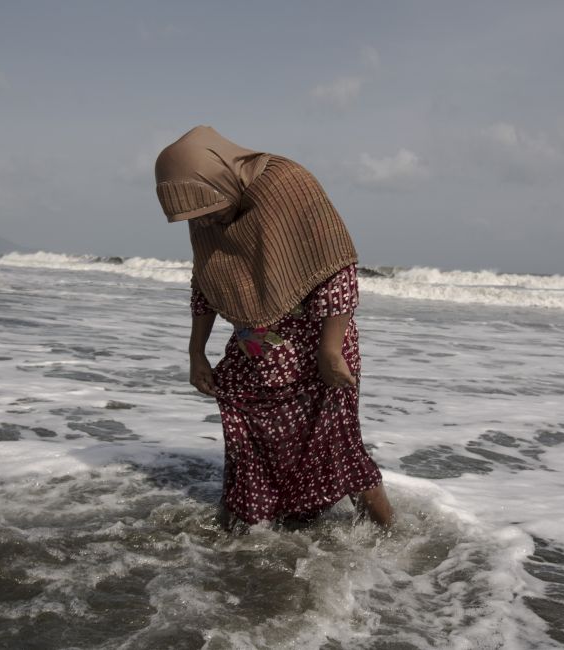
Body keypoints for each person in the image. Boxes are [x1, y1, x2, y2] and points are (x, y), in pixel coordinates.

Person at [154, 125, 394, 529]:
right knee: (249, 449)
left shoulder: (288, 183)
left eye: (208, 210)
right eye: (196, 217)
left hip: (316, 344)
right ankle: (241, 545)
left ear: (219, 177)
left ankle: (393, 540)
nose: (207, 221)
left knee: (337, 446)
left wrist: (330, 350)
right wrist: (197, 352)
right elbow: (207, 281)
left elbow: (335, 267)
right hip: (256, 348)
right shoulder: (206, 209)